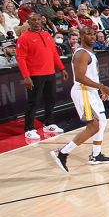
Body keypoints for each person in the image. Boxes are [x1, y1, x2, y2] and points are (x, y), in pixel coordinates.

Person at [50, 27, 109, 172]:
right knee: (93, 126)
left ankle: (96, 155)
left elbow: (91, 76)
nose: (92, 36)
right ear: (82, 36)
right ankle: (62, 152)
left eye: (94, 34)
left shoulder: (90, 52)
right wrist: (102, 87)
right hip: (83, 92)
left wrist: (99, 89)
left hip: (91, 92)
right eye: (88, 34)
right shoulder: (82, 54)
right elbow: (80, 78)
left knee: (102, 122)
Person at [16, 12, 68, 140]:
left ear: (42, 20)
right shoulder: (23, 38)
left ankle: (49, 124)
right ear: (28, 21)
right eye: (33, 20)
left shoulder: (47, 35)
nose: (37, 22)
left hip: (50, 72)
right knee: (33, 102)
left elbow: (54, 53)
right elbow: (21, 59)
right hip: (34, 75)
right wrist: (26, 77)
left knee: (51, 99)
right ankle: (29, 129)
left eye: (39, 19)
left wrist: (61, 68)